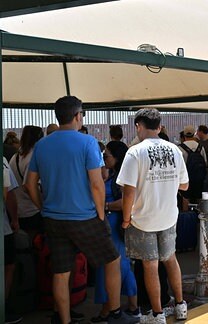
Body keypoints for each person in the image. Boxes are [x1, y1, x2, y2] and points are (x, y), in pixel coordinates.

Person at [25, 96, 136, 324]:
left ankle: (63, 319)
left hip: (53, 219)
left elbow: (29, 184)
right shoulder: (87, 143)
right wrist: (101, 213)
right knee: (112, 260)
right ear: (78, 115)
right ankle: (114, 312)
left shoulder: (43, 144)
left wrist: (42, 206)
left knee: (61, 272)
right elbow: (97, 184)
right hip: (85, 216)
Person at [116, 108, 189, 323]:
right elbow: (184, 185)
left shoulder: (134, 152)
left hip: (142, 219)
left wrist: (126, 218)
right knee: (170, 260)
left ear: (138, 125)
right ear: (159, 127)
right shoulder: (174, 150)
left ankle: (157, 315)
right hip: (168, 216)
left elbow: (128, 191)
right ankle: (180, 305)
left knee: (150, 265)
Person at [91, 141, 139, 322]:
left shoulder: (121, 178)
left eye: (107, 156)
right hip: (115, 226)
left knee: (112, 268)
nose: (104, 159)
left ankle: (109, 309)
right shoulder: (113, 174)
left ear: (117, 158)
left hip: (115, 227)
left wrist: (105, 205)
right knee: (123, 266)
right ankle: (132, 306)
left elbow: (127, 202)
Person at [9, 126, 44, 238]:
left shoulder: (16, 156)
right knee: (35, 245)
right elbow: (28, 186)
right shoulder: (33, 157)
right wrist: (42, 207)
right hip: (31, 211)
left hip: (17, 210)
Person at [4, 156, 22, 324]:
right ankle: (3, 306)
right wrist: (15, 219)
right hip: (2, 228)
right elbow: (9, 194)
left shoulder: (12, 159)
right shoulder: (2, 161)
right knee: (8, 265)